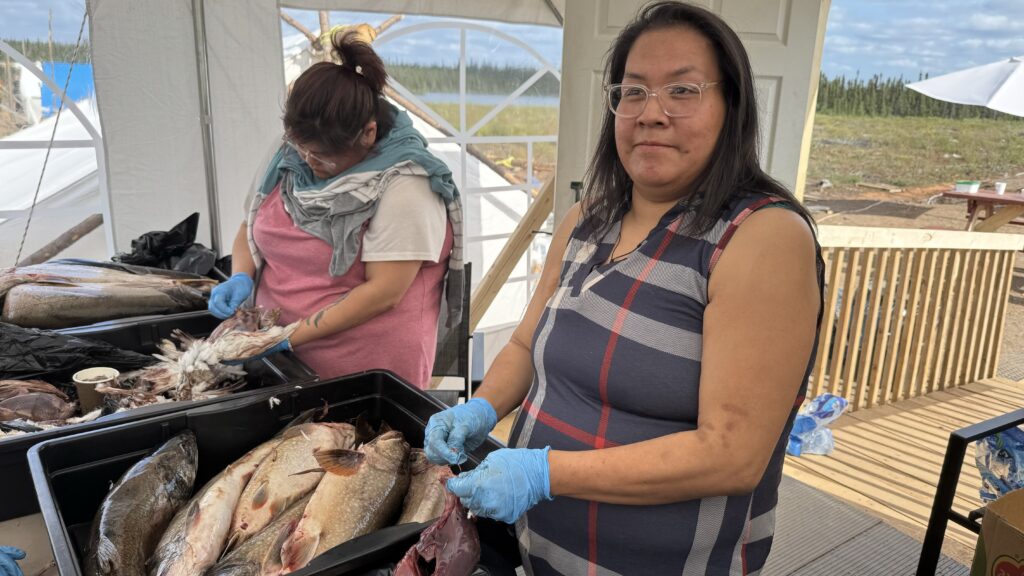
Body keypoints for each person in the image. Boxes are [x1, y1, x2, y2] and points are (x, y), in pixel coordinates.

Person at [423, 2, 825, 574]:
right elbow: (521, 347)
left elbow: (731, 456)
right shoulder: (589, 217)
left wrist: (544, 473)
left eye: (682, 91)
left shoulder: (761, 238)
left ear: (731, 107)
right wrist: (482, 409)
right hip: (540, 552)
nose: (650, 113)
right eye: (633, 91)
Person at [207, 30, 464, 388]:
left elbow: (383, 293)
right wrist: (241, 275)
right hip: (279, 361)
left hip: (361, 369)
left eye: (323, 156)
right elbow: (249, 226)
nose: (309, 161)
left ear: (368, 133)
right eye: (301, 149)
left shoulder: (408, 184)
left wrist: (285, 336)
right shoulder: (289, 154)